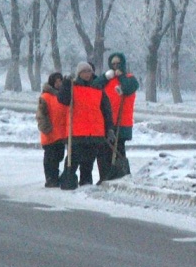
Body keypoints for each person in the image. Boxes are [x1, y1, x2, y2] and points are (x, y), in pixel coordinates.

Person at [58, 61, 114, 186]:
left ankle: (86, 182)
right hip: (77, 131)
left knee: (88, 162)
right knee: (73, 159)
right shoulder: (73, 87)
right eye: (84, 71)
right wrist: (66, 84)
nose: (87, 74)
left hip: (95, 132)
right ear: (79, 73)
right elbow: (63, 100)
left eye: (89, 71)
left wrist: (109, 128)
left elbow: (106, 110)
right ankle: (68, 180)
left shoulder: (98, 88)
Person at [97, 52, 140, 180]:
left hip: (121, 122)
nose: (115, 66)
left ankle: (120, 176)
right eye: (113, 64)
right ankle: (105, 177)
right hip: (106, 122)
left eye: (118, 63)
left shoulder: (129, 78)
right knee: (104, 151)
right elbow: (94, 85)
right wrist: (105, 77)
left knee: (118, 150)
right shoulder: (107, 80)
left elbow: (129, 87)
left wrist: (121, 77)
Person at [36, 72, 67, 188]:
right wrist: (46, 128)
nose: (58, 83)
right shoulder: (45, 97)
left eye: (60, 81)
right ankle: (50, 179)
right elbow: (41, 114)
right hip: (50, 133)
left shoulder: (63, 96)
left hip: (60, 134)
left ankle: (54, 177)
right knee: (50, 158)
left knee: (59, 156)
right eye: (56, 81)